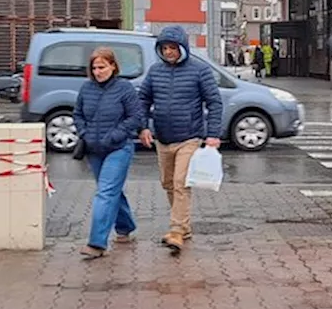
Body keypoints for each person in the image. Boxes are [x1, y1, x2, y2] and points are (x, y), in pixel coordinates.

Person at [137, 26, 223, 252]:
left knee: (180, 183)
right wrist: (143, 127)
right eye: (164, 48)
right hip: (163, 138)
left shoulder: (199, 71)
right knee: (167, 183)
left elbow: (214, 102)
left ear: (182, 48)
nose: (168, 52)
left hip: (189, 137)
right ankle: (184, 227)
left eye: (172, 48)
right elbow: (143, 100)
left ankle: (176, 230)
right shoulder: (155, 72)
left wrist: (213, 134)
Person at [73, 47, 144, 260]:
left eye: (102, 67)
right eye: (94, 68)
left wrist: (116, 135)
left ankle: (97, 243)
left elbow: (135, 117)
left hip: (118, 148)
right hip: (93, 149)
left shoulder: (124, 89)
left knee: (105, 192)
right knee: (111, 191)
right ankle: (125, 227)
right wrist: (84, 133)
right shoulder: (86, 89)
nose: (98, 71)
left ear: (113, 66)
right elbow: (77, 114)